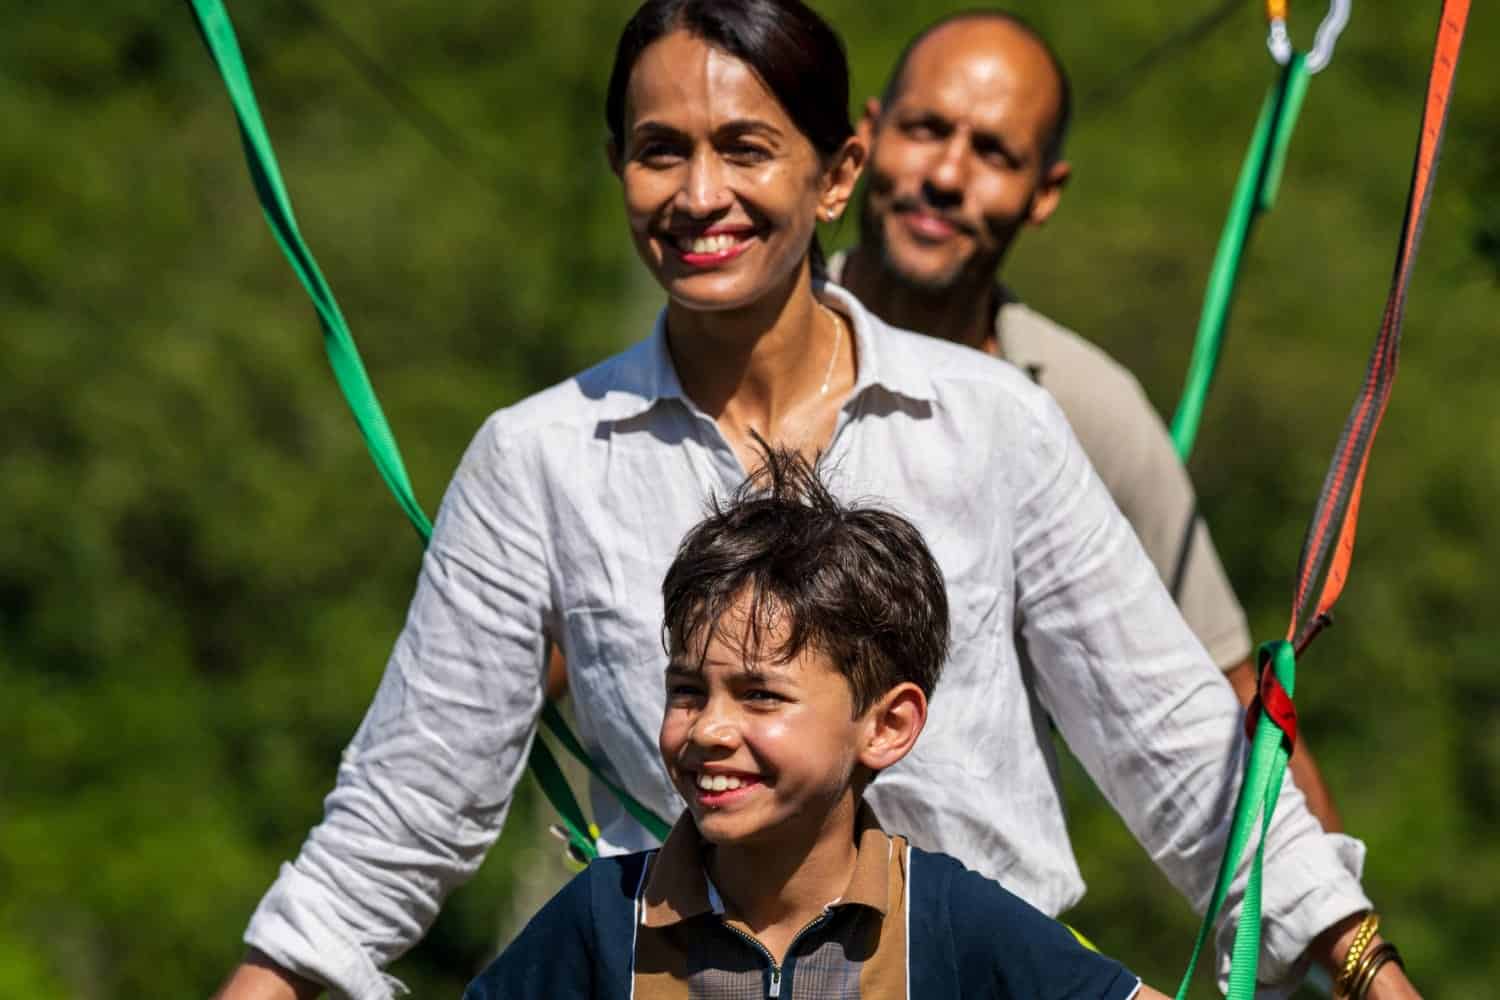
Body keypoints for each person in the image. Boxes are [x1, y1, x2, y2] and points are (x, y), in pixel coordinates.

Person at [215, 2, 1414, 998]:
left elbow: (1184, 756)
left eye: (745, 148)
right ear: (618, 167)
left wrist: (1368, 972)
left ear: (836, 172)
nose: (699, 194)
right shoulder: (538, 460)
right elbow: (400, 816)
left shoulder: (991, 423)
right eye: (660, 150)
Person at [830, 9, 1346, 830]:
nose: (947, 175)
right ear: (866, 137)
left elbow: (1225, 697)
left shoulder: (1080, 408)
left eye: (995, 153)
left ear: (1045, 193)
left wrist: (1338, 911)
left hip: (968, 895)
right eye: (925, 130)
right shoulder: (752, 343)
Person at [466, 446, 1164, 1000]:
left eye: (760, 696)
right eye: (687, 692)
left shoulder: (950, 921)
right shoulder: (607, 918)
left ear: (887, 726)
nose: (708, 730)